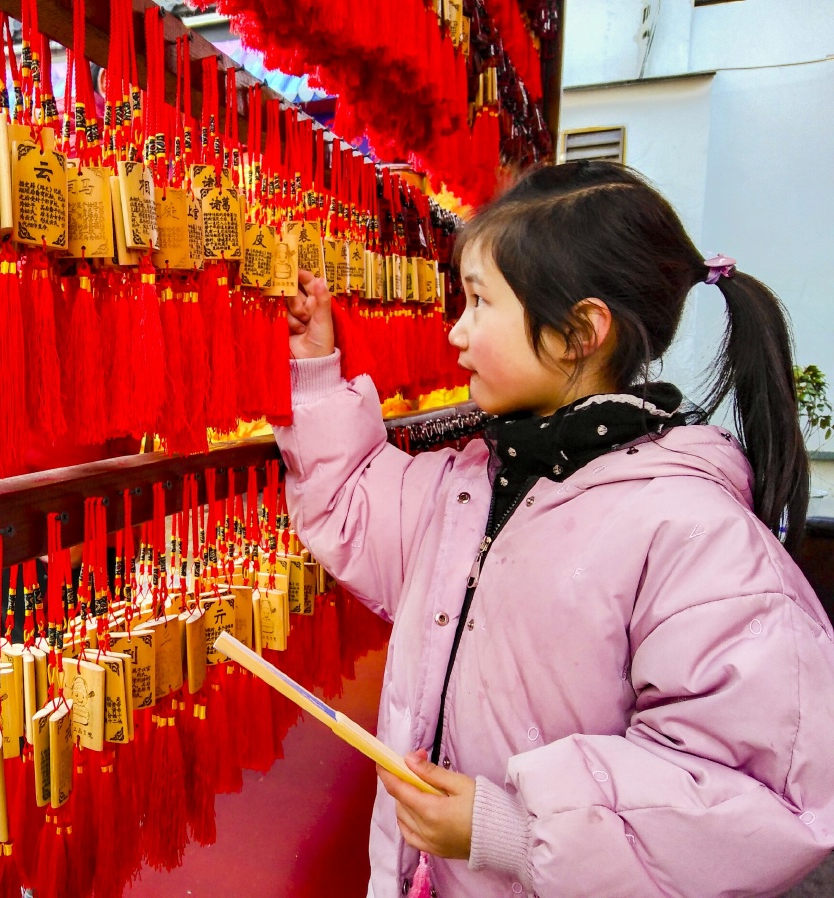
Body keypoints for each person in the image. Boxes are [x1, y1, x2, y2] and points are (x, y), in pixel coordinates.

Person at [275, 160, 834, 898]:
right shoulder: (473, 487)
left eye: (480, 302)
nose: (456, 331)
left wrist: (511, 829)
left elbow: (761, 795)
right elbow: (353, 502)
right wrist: (317, 369)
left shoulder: (689, 532)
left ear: (578, 333)